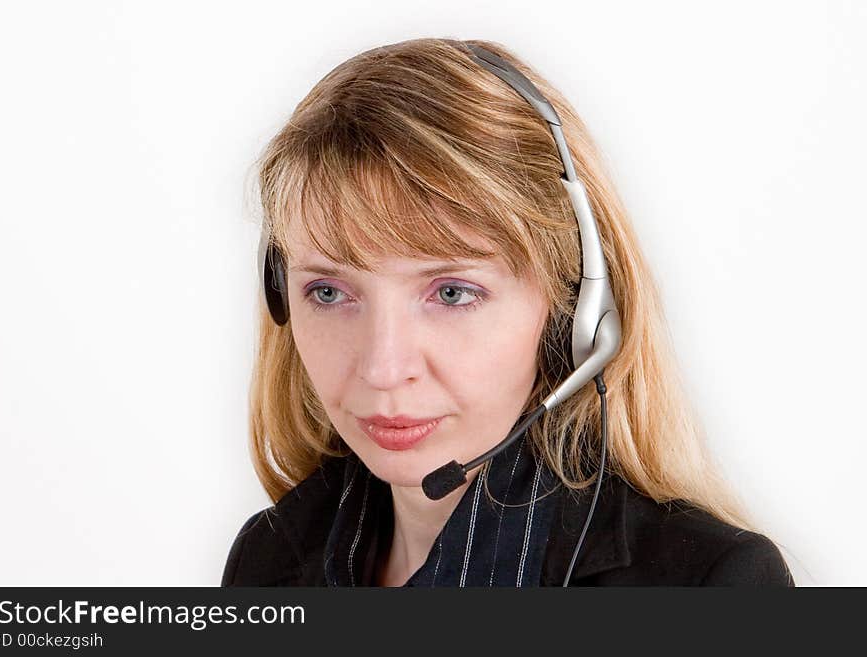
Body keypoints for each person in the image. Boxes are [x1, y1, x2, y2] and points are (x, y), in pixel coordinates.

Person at [221, 37, 794, 587]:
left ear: (574, 304)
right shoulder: (268, 560)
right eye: (329, 292)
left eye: (451, 293)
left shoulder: (712, 586)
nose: (383, 368)